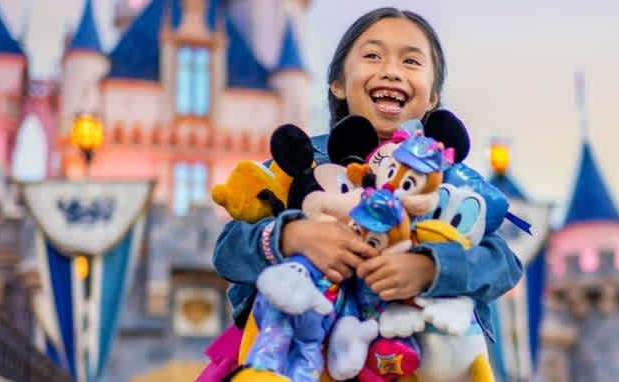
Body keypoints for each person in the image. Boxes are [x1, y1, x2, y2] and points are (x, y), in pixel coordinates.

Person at [213, 7, 522, 347]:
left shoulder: (448, 180)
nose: (391, 71)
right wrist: (292, 235)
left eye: (411, 62)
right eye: (373, 56)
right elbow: (229, 247)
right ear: (338, 84)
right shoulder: (302, 163)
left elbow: (503, 263)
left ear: (432, 95)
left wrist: (431, 270)